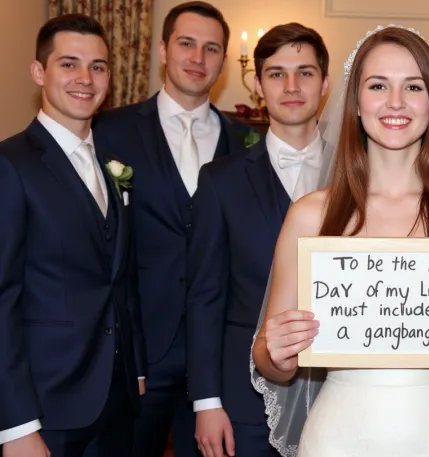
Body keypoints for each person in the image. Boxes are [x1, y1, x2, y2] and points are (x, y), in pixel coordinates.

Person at [249, 25, 429, 457]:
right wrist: (278, 353)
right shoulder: (309, 215)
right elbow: (267, 355)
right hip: (339, 434)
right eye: (378, 85)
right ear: (355, 102)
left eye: (412, 86)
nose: (395, 102)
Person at [92, 2, 251, 456]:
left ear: (223, 60)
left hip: (221, 355)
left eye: (211, 48)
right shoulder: (108, 130)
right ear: (163, 49)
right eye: (186, 43)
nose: (198, 57)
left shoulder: (247, 142)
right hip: (138, 350)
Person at [0, 13, 144, 457]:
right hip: (46, 406)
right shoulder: (11, 164)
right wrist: (16, 425)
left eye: (98, 66)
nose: (85, 78)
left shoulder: (112, 163)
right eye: (69, 64)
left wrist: (135, 365)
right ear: (39, 72)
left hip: (116, 397)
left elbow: (121, 277)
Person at [186, 22, 329, 457]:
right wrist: (207, 401)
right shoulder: (220, 180)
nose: (291, 85)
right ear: (258, 84)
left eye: (305, 72)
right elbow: (204, 297)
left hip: (340, 389)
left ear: (324, 84)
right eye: (276, 73)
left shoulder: (361, 176)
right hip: (246, 396)